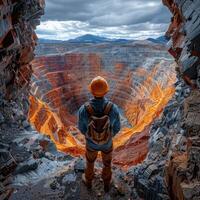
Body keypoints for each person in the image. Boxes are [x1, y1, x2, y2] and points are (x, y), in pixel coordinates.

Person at [78, 76, 121, 193]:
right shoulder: (113, 108)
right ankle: (107, 183)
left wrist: (90, 136)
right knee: (107, 163)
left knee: (90, 162)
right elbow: (117, 128)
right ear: (106, 91)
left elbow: (81, 128)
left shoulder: (84, 109)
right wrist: (109, 136)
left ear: (91, 91)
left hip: (91, 143)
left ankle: (88, 182)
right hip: (107, 143)